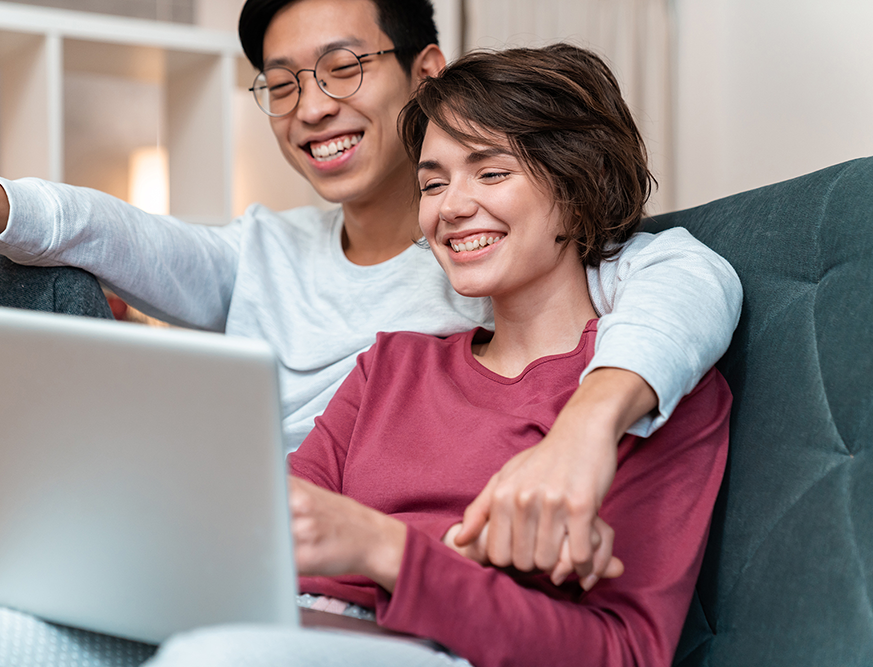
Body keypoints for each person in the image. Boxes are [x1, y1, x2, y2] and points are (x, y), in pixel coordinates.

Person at [0, 0, 738, 661]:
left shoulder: (634, 349)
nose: (313, 104)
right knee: (26, 279)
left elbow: (693, 275)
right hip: (261, 580)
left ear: (423, 73)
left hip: (378, 619)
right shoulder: (367, 342)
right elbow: (111, 233)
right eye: (283, 84)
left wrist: (587, 427)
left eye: (342, 67)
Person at [140, 43, 732, 667]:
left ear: (577, 184)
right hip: (296, 626)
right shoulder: (390, 368)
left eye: (492, 172)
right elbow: (270, 531)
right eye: (432, 183)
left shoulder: (654, 391)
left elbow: (624, 651)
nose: (450, 207)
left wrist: (387, 550)